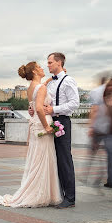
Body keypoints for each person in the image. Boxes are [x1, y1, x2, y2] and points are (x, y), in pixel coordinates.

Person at [0, 62, 62, 207]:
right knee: (43, 160)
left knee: (37, 159)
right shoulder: (41, 87)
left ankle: (38, 192)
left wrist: (50, 79)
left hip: (34, 126)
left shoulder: (31, 88)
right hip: (42, 126)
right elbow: (38, 107)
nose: (43, 68)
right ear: (35, 71)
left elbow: (34, 104)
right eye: (40, 67)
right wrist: (47, 127)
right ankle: (40, 194)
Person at [43, 52, 80, 209]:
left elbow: (75, 103)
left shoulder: (68, 80)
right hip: (51, 121)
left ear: (59, 63)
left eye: (50, 62)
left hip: (62, 121)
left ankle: (70, 198)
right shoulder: (51, 83)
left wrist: (54, 109)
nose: (48, 65)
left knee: (64, 159)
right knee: (54, 159)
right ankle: (59, 194)